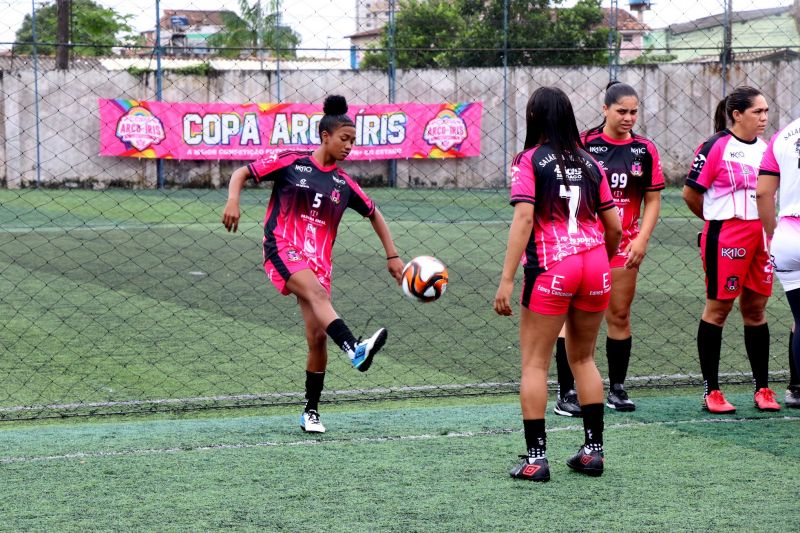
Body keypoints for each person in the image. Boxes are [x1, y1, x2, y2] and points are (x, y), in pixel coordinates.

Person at [222, 95, 404, 433]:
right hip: (283, 246)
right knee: (319, 298)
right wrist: (233, 200)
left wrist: (392, 256)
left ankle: (311, 411)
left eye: (353, 141)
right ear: (325, 136)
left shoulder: (344, 184)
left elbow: (374, 214)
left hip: (319, 263)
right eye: (344, 139)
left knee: (318, 338)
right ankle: (354, 349)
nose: (349, 146)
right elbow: (240, 173)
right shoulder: (293, 162)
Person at [494, 86, 622, 481]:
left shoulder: (528, 160)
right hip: (595, 264)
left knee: (534, 363)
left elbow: (525, 219)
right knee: (583, 358)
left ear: (534, 118)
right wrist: (604, 256)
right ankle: (592, 452)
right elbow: (613, 225)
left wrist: (506, 279)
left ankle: (536, 459)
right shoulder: (591, 163)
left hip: (554, 266)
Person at [552, 81, 664, 417]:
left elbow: (654, 200)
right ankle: (567, 390)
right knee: (571, 319)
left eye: (633, 111)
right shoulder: (584, 144)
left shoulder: (644, 150)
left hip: (624, 246)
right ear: (605, 110)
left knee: (619, 315)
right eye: (621, 111)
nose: (629, 117)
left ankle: (616, 388)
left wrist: (642, 238)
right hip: (583, 245)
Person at [682, 86, 780, 413]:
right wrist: (716, 224)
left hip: (760, 237)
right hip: (726, 233)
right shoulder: (716, 147)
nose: (764, 117)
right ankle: (712, 390)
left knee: (756, 310)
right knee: (719, 309)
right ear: (737, 114)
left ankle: (763, 389)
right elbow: (691, 194)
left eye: (766, 111)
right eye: (757, 112)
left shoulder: (767, 149)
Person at [756, 115, 800, 409]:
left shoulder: (783, 135)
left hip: (788, 235)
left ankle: (797, 389)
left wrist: (773, 233)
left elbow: (762, 193)